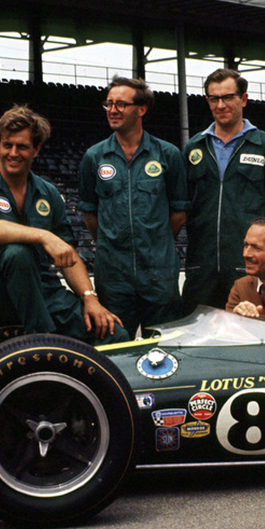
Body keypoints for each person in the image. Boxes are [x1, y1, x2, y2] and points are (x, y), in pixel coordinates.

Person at [0, 105, 128, 345]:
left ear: (36, 149)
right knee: (18, 253)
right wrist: (45, 236)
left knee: (112, 332)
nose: (13, 153)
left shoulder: (48, 193)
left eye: (22, 146)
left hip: (41, 288)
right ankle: (45, 344)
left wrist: (90, 298)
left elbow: (67, 254)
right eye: (7, 145)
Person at [78, 76, 188, 338]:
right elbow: (90, 214)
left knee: (164, 350)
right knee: (114, 349)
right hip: (113, 278)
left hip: (159, 276)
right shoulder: (94, 157)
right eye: (109, 104)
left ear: (141, 109)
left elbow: (179, 212)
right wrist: (113, 244)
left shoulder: (168, 154)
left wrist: (155, 242)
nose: (113, 110)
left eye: (121, 104)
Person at [182, 68, 265, 314]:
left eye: (228, 97)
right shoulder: (194, 147)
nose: (221, 104)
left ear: (243, 99)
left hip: (248, 266)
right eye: (214, 98)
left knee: (249, 334)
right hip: (202, 266)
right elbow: (185, 205)